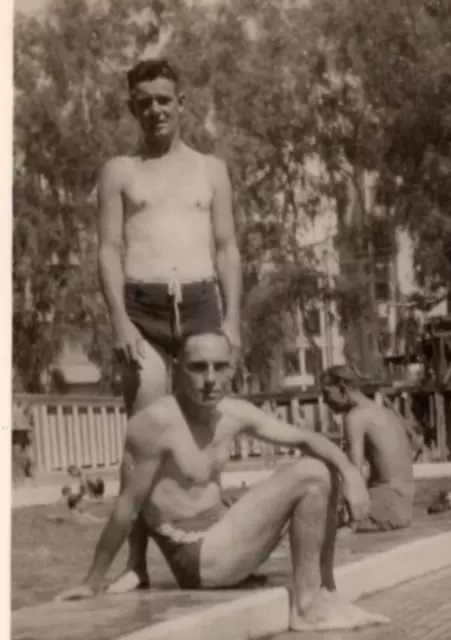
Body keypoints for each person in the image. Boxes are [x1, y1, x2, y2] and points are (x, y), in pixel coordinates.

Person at [56, 332, 389, 632]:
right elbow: (126, 508)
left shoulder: (231, 413)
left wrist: (351, 474)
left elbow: (304, 437)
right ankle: (308, 608)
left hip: (227, 538)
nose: (210, 379)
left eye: (220, 367)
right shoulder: (155, 424)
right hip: (199, 559)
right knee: (312, 473)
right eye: (198, 367)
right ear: (177, 369)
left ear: (232, 369)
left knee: (323, 467)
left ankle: (325, 594)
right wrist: (93, 580)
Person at [97, 57, 242, 416]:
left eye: (164, 100)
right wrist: (120, 321)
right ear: (133, 108)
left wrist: (234, 321)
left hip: (201, 303)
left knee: (204, 423)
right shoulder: (119, 171)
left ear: (182, 102)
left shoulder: (210, 169)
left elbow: (226, 249)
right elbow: (108, 250)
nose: (155, 110)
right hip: (143, 309)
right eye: (144, 103)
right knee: (147, 421)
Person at [320, 365, 415, 532]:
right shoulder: (384, 412)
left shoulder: (356, 417)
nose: (325, 401)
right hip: (404, 506)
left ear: (342, 388)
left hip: (386, 506)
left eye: (327, 394)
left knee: (318, 522)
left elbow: (354, 476)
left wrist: (348, 518)